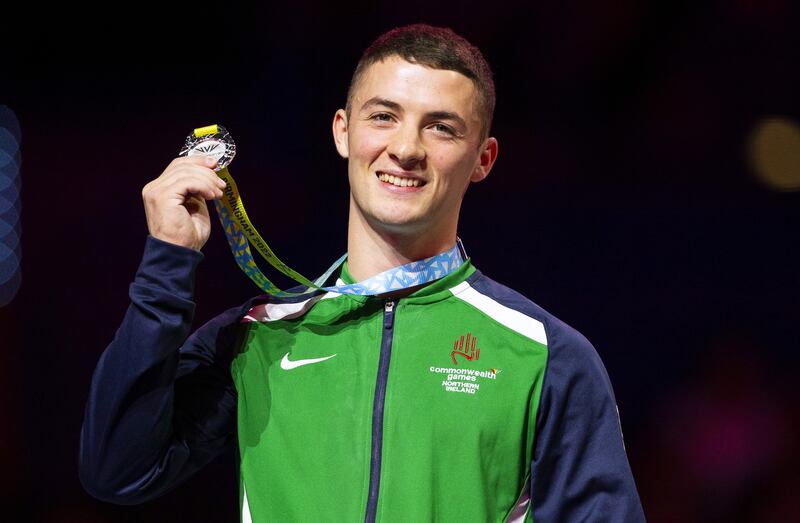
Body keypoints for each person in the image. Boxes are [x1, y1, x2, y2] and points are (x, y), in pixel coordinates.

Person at [80, 24, 646, 522]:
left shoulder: (546, 355)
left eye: (441, 128)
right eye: (384, 116)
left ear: (483, 159)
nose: (406, 148)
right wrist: (167, 265)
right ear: (343, 131)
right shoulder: (256, 338)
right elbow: (118, 472)